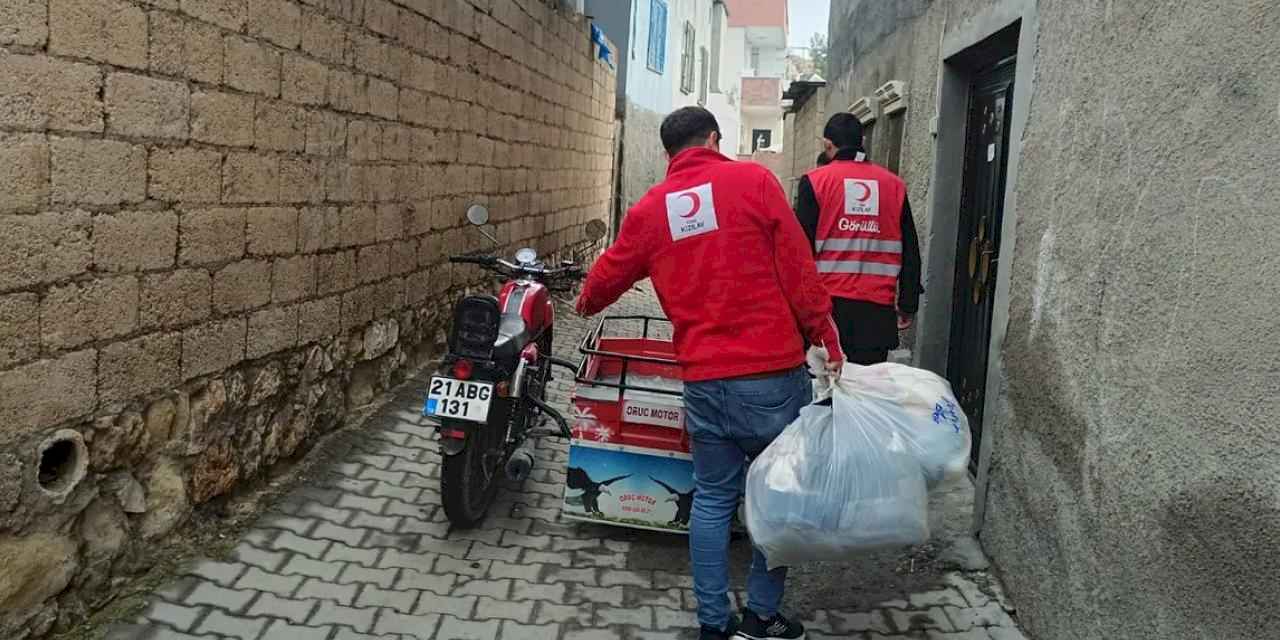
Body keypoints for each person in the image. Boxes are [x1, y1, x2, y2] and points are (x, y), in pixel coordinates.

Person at [576, 106, 844, 640]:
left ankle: (712, 625)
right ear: (715, 139)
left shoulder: (652, 208)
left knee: (714, 498)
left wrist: (584, 301)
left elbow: (606, 277)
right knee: (775, 497)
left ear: (668, 153)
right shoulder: (753, 182)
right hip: (770, 375)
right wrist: (826, 336)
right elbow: (798, 267)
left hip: (703, 381)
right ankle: (761, 619)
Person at [793, 113, 923, 365]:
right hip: (876, 314)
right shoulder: (893, 185)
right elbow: (910, 248)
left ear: (827, 145)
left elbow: (801, 251)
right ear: (862, 140)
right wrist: (908, 302)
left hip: (828, 311)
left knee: (825, 389)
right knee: (866, 392)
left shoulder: (816, 182)